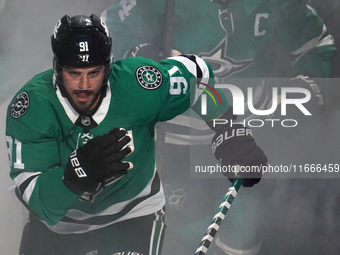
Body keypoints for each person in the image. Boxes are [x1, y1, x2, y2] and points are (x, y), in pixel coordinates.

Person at [5, 14, 267, 255]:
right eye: (74, 74)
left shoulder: (140, 82)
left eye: (93, 73)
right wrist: (76, 175)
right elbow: (38, 201)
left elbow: (197, 77)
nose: (84, 86)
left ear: (108, 67)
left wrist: (227, 127)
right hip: (57, 229)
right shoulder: (30, 108)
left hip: (132, 216)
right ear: (57, 68)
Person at [101, 0, 337, 254]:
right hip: (172, 142)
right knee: (176, 236)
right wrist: (144, 59)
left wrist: (308, 89)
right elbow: (106, 31)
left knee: (244, 233)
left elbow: (315, 43)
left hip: (246, 138)